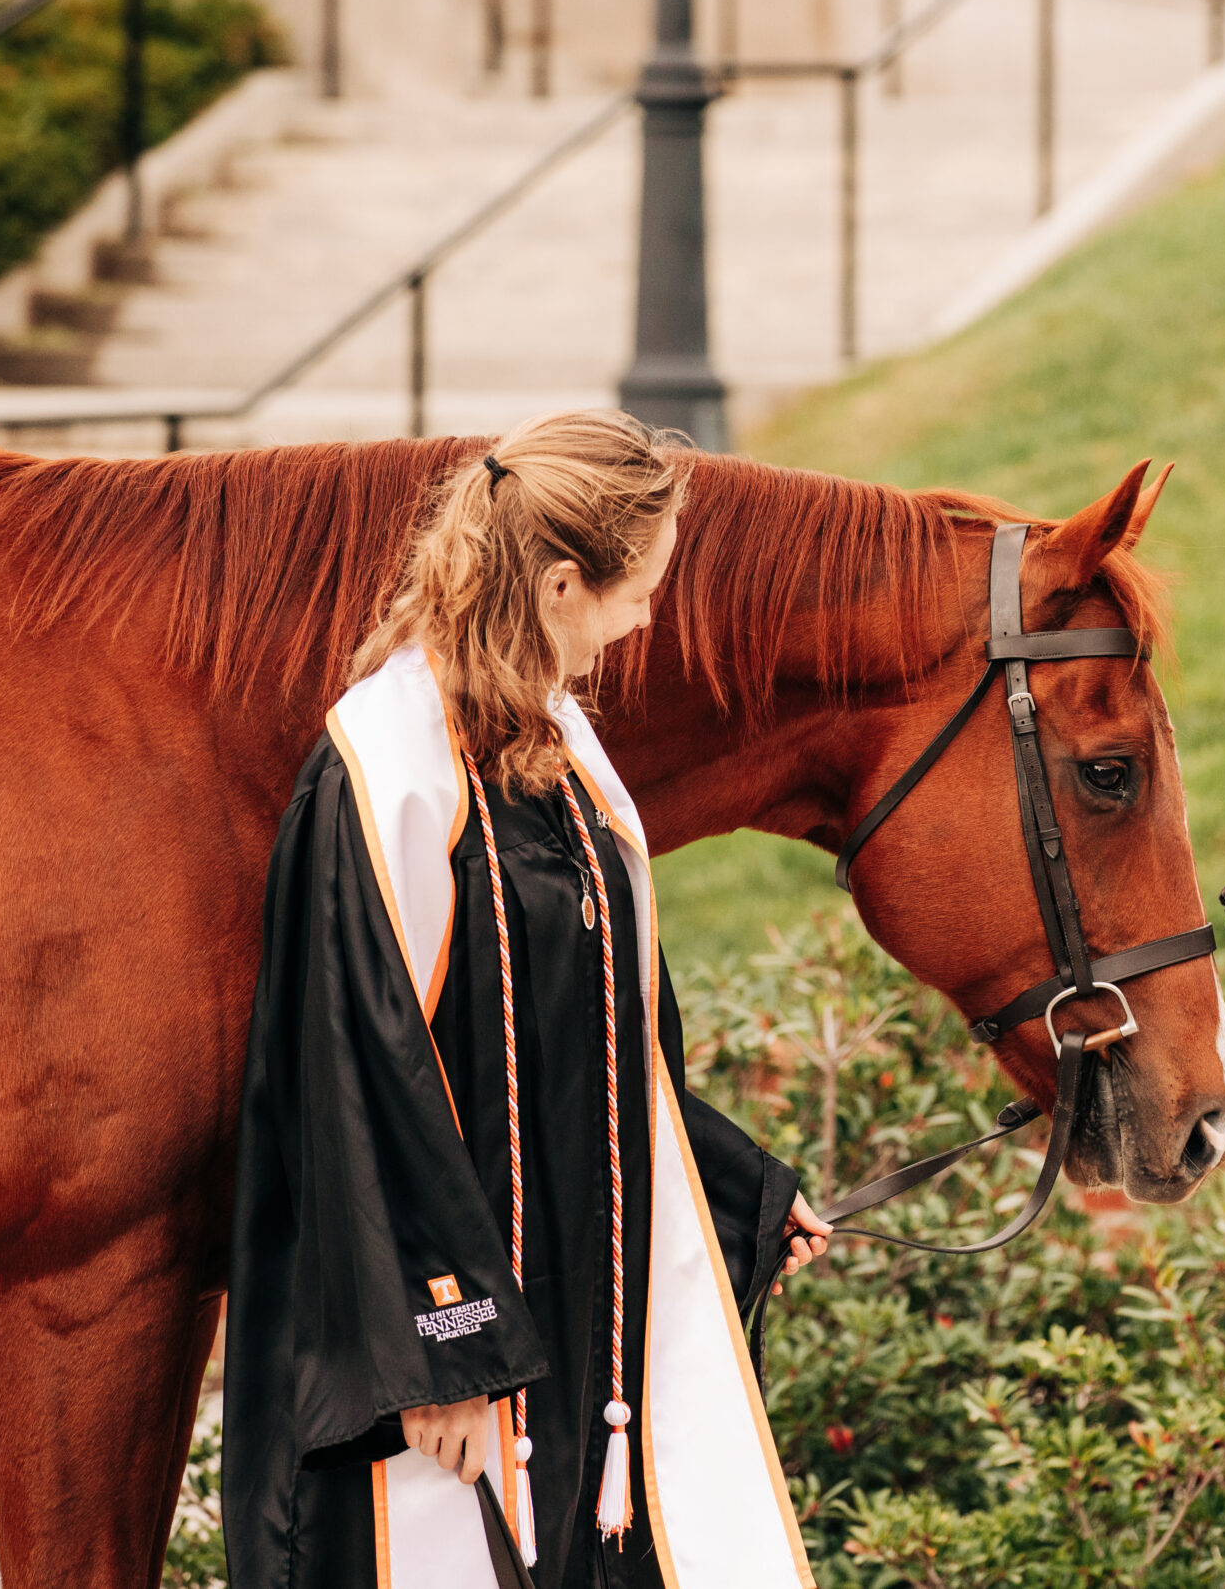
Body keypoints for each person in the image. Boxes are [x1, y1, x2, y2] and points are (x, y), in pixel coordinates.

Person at [224, 411, 829, 1589]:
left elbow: (590, 1034)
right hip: (444, 1345)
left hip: (571, 1319)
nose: (647, 617)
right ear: (560, 584)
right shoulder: (384, 769)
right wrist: (445, 1347)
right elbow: (350, 1076)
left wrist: (730, 1182)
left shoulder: (560, 753)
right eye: (638, 591)